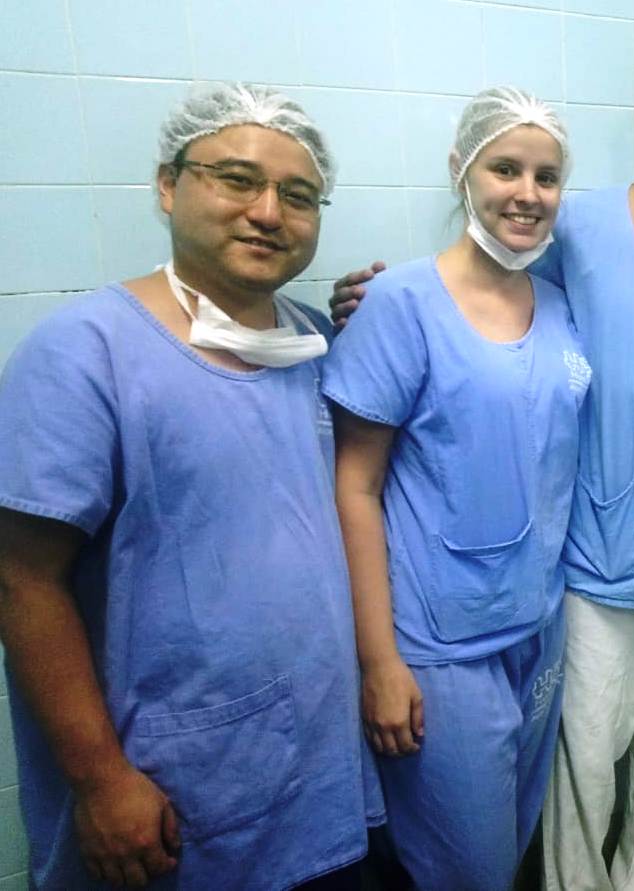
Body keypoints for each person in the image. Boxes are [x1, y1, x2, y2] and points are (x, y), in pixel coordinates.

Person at [330, 25, 634, 890]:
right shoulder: (581, 225)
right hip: (589, 574)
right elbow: (479, 286)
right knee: (575, 791)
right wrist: (366, 304)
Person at [0, 83, 383, 890]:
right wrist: (100, 779)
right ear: (168, 185)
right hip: (170, 786)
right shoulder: (84, 353)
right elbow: (20, 578)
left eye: (298, 195)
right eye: (237, 179)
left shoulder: (310, 343)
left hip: (315, 774)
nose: (268, 212)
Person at [319, 87, 587, 891]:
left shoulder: (560, 305)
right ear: (461, 171)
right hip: (440, 645)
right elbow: (355, 486)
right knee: (467, 867)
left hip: (538, 622)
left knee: (511, 843)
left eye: (546, 177)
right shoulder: (399, 303)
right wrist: (379, 661)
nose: (527, 193)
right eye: (505, 169)